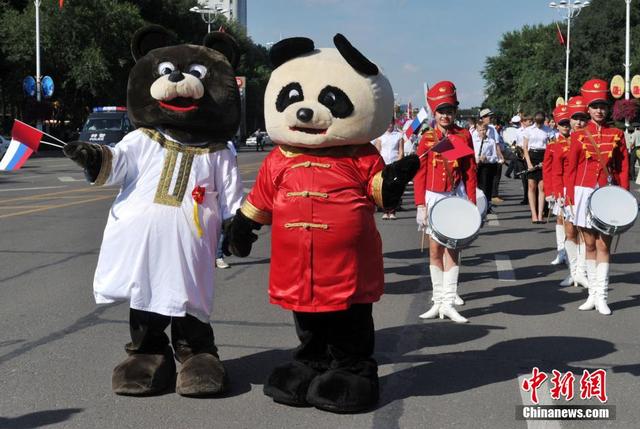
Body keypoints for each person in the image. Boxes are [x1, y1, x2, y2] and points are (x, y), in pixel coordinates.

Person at [414, 81, 477, 323]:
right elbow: (420, 173)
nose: (445, 115)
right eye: (441, 111)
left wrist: (471, 202)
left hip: (455, 196)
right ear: (434, 113)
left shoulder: (463, 135)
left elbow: (470, 171)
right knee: (434, 250)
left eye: (449, 111)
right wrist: (420, 204)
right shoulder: (428, 138)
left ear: (455, 112)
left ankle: (449, 301)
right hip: (433, 197)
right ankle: (438, 300)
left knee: (453, 249)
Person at [566, 79, 629, 315]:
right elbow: (571, 169)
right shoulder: (579, 135)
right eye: (595, 106)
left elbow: (623, 167)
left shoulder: (617, 134)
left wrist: (623, 194)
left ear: (607, 108)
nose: (599, 110)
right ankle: (592, 294)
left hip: (608, 193)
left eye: (603, 106)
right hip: (583, 192)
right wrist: (571, 198)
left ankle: (602, 296)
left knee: (604, 244)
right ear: (588, 109)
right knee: (589, 244)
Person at [523, 111, 553, 223]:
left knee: (542, 186)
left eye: (541, 122)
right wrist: (529, 163)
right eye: (537, 122)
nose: (539, 125)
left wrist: (547, 161)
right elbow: (525, 148)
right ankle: (533, 214)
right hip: (532, 155)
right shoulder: (528, 130)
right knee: (531, 186)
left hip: (544, 155)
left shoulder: (548, 130)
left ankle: (540, 215)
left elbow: (551, 146)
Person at [374, 121, 404, 219]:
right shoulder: (380, 136)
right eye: (387, 123)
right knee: (384, 189)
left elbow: (401, 151)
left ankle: (392, 212)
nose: (388, 126)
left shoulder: (399, 136)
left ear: (393, 124)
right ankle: (385, 211)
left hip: (394, 164)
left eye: (390, 123)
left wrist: (398, 163)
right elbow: (377, 151)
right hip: (383, 164)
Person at [475, 108, 504, 203]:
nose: (490, 118)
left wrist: (499, 157)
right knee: (478, 186)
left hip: (488, 163)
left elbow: (496, 145)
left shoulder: (492, 129)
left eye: (490, 116)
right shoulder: (473, 134)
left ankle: (489, 201)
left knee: (487, 184)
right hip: (476, 164)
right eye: (488, 116)